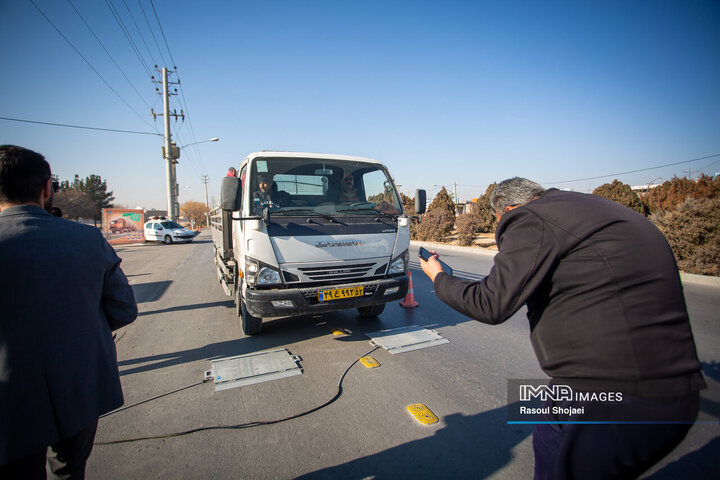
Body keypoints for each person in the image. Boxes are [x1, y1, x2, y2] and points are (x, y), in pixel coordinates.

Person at [419, 177, 706, 479]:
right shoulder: (594, 210)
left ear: (508, 209)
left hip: (607, 398)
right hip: (678, 397)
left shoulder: (531, 217)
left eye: (499, 223)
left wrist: (439, 278)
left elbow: (490, 303)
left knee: (551, 449)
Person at [0, 145, 138, 479]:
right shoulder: (87, 238)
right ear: (47, 188)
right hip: (79, 386)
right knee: (70, 470)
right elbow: (123, 308)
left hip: (9, 399)